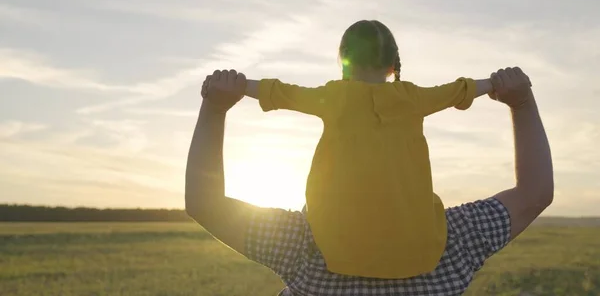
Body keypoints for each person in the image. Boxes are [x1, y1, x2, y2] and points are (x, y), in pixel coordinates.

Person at [187, 65, 553, 296]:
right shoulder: (451, 241)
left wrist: (216, 107)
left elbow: (205, 203)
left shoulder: (302, 243)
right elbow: (534, 193)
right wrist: (521, 104)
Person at [226, 20, 495, 279]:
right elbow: (461, 90)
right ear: (392, 65)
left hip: (340, 251)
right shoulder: (413, 97)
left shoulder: (334, 96)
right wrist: (497, 83)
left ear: (344, 59)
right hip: (416, 252)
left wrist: (235, 84)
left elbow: (279, 92)